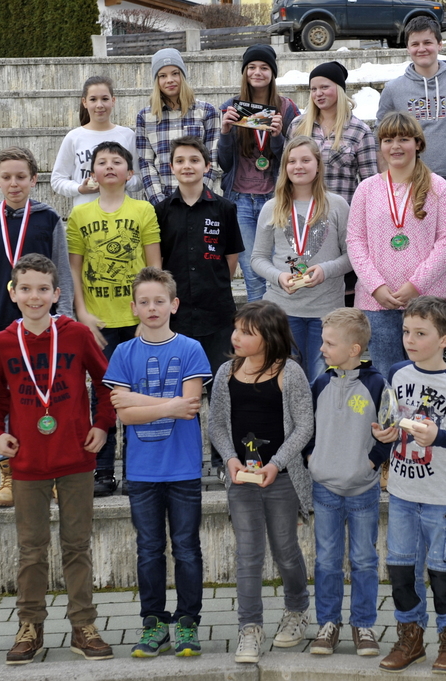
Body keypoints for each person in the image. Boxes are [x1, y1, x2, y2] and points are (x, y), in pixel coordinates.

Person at [0, 253, 115, 664]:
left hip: (76, 457)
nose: (34, 296)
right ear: (13, 293)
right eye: (26, 288)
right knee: (31, 550)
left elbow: (106, 383)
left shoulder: (76, 335)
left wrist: (102, 425)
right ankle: (30, 626)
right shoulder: (4, 342)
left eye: (43, 289)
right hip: (28, 463)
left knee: (77, 546)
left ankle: (83, 626)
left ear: (57, 293)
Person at [104, 267, 212, 659]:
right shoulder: (123, 353)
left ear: (174, 304)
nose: (152, 308)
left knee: (186, 548)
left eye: (159, 301)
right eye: (145, 302)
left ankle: (187, 622)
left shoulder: (191, 349)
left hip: (183, 468)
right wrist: (167, 405)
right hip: (142, 471)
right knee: (149, 549)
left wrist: (138, 400)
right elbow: (124, 414)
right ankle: (153, 623)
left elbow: (190, 407)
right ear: (133, 307)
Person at [371, 296, 446, 675]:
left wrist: (438, 437)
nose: (410, 340)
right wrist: (383, 435)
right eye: (406, 332)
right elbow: (391, 418)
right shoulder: (397, 373)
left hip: (440, 499)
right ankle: (410, 637)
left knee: (444, 573)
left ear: (444, 340)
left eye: (420, 333)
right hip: (402, 493)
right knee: (401, 570)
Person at [207, 301, 314, 664]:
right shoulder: (226, 372)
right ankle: (249, 628)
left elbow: (304, 426)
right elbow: (216, 425)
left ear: (268, 338)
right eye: (236, 329)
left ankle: (297, 608)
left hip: (281, 480)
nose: (235, 337)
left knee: (285, 550)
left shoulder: (290, 373)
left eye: (246, 332)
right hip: (241, 481)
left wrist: (277, 463)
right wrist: (230, 460)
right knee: (248, 555)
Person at [0, 146, 73, 507]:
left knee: (49, 397)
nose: (14, 183)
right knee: (7, 400)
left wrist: (65, 317)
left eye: (21, 177)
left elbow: (62, 270)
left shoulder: (49, 219)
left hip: (47, 326)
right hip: (1, 328)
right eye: (7, 177)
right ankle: (9, 474)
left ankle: (53, 471)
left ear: (34, 179)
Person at [66, 141, 161, 496]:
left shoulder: (143, 210)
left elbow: (154, 268)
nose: (109, 166)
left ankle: (138, 470)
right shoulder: (80, 215)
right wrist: (82, 313)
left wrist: (147, 316)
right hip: (99, 323)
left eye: (117, 161)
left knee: (140, 393)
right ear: (92, 173)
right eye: (102, 162)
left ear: (129, 173)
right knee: (103, 395)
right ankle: (102, 470)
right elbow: (74, 270)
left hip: (136, 320)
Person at [347, 111, 446, 374]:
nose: (395, 146)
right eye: (388, 140)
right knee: (388, 376)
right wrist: (376, 286)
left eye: (403, 139)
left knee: (428, 376)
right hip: (378, 301)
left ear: (418, 144)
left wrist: (415, 285)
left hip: (428, 299)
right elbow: (355, 240)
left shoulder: (438, 187)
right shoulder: (367, 189)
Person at [307, 308, 389, 657]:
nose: (322, 348)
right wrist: (311, 455)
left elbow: (389, 429)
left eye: (329, 343)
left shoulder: (377, 385)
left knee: (364, 559)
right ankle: (328, 623)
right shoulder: (320, 382)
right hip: (324, 488)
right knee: (326, 560)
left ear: (354, 349)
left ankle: (363, 624)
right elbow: (306, 426)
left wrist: (372, 461)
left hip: (362, 490)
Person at [251, 135, 351, 382]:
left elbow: (352, 256)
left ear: (318, 165)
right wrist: (279, 276)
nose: (299, 166)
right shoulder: (272, 207)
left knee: (321, 382)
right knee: (287, 382)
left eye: (306, 160)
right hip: (282, 310)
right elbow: (258, 258)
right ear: (285, 167)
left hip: (326, 311)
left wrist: (325, 270)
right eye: (292, 161)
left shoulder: (337, 205)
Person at [155, 136, 244, 386]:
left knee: (221, 384)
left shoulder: (225, 208)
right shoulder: (161, 211)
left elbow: (231, 257)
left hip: (217, 314)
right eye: (180, 161)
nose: (187, 166)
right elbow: (159, 259)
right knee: (178, 386)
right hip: (177, 315)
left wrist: (214, 286)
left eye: (194, 160)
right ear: (171, 167)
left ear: (206, 166)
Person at [217, 44, 302, 302]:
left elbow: (294, 159)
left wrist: (277, 137)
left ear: (273, 73)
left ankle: (280, 322)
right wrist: (225, 132)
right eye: (251, 67)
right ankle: (259, 325)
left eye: (264, 67)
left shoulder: (287, 108)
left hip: (276, 199)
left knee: (279, 268)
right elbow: (224, 164)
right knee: (253, 274)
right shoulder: (231, 107)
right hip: (240, 200)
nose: (257, 72)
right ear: (244, 72)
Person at [377, 16, 446, 212]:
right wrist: (387, 178)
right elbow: (380, 136)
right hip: (408, 181)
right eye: (415, 44)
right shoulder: (393, 89)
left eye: (427, 42)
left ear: (440, 44)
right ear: (407, 48)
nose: (421, 49)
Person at [136, 48, 220, 206]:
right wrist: (161, 204)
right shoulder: (145, 117)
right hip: (163, 201)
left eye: (175, 73)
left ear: (183, 75)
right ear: (156, 80)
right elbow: (146, 165)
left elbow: (212, 160)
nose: (169, 80)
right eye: (162, 76)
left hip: (199, 201)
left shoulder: (206, 112)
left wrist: (197, 198)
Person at [287, 61, 378, 205]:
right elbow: (284, 173)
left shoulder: (360, 131)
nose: (318, 93)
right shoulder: (297, 125)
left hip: (341, 212)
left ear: (339, 89)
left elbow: (369, 184)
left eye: (324, 87)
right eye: (313, 89)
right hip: (301, 211)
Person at [51, 75, 141, 208]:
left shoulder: (127, 135)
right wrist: (80, 188)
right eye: (93, 99)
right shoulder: (73, 137)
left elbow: (139, 177)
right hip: (86, 213)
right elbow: (57, 180)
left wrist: (120, 181)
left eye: (105, 99)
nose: (99, 105)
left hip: (122, 213)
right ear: (85, 102)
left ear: (113, 101)